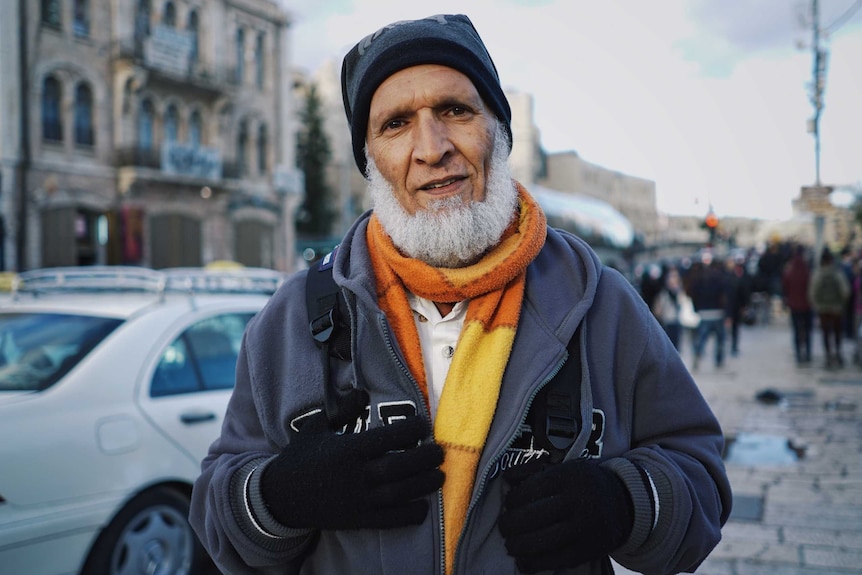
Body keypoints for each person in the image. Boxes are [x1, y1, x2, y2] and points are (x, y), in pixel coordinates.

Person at [189, 14, 731, 575]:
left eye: (455, 110)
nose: (432, 147)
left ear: (499, 131)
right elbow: (217, 520)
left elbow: (701, 484)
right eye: (396, 124)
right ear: (370, 161)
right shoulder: (293, 318)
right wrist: (280, 497)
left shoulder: (600, 304)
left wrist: (623, 503)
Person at [687, 253, 732, 370]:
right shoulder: (720, 277)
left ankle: (698, 355)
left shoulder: (698, 278)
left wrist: (697, 309)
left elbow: (693, 295)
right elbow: (725, 296)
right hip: (717, 312)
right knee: (720, 339)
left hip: (705, 313)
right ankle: (718, 361)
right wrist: (726, 312)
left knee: (702, 339)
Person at [809, 247, 850, 369]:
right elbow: (845, 291)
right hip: (836, 308)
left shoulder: (818, 274)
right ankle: (838, 353)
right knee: (837, 333)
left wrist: (817, 305)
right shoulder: (837, 273)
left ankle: (828, 356)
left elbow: (812, 292)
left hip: (823, 309)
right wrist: (841, 304)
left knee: (826, 334)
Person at [782, 244, 814, 365]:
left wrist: (787, 302)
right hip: (806, 305)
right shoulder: (807, 271)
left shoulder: (790, 271)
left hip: (794, 306)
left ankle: (798, 354)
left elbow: (785, 288)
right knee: (807, 331)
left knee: (796, 331)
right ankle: (808, 353)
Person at [651, 266, 684, 351]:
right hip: (667, 321)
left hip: (679, 321)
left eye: (675, 276)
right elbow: (658, 309)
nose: (673, 279)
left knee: (677, 345)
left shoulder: (680, 291)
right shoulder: (664, 293)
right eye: (671, 277)